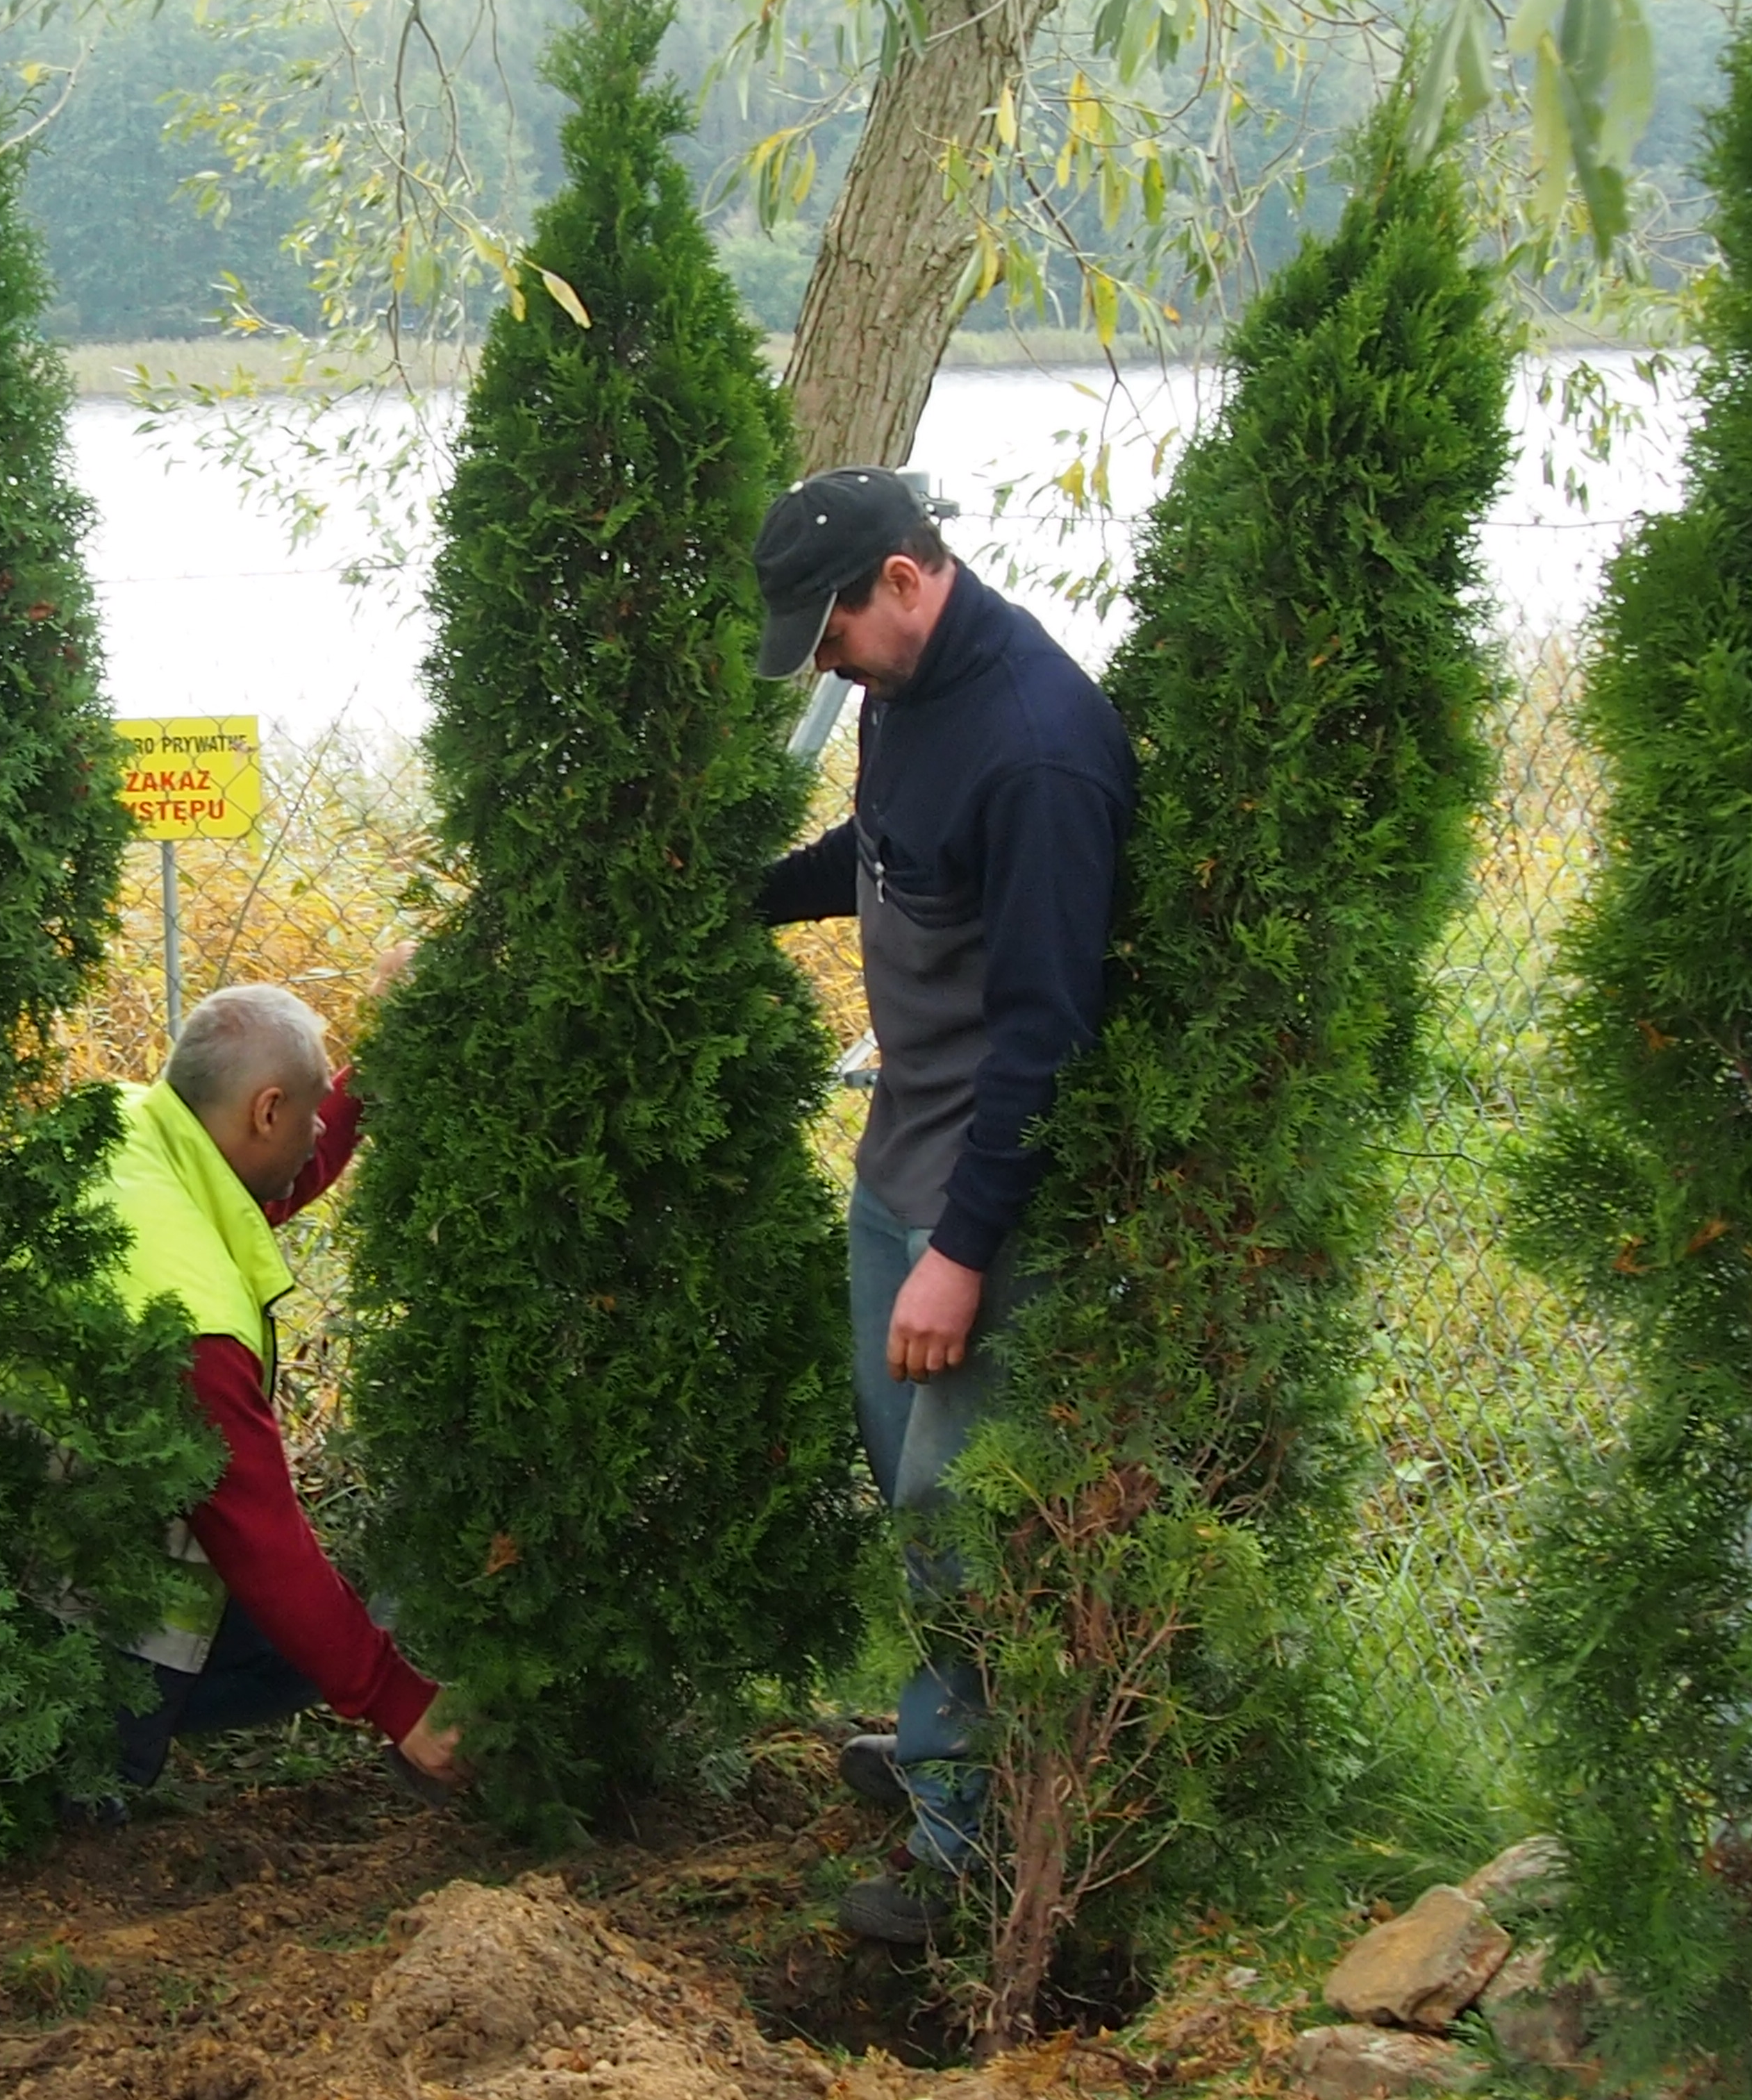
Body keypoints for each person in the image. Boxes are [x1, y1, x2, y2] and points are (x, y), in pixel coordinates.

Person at [751, 467, 1136, 1944]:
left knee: (955, 1503)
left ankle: (970, 1847)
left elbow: (1047, 1031)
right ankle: (939, 1742)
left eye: (834, 630)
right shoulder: (903, 692)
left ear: (906, 579)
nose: (829, 662)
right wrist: (744, 892)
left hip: (983, 1193)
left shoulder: (1038, 750)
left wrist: (964, 1253)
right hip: (898, 1156)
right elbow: (879, 857)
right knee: (900, 1475)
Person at [95, 981, 466, 1801]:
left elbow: (272, 1179)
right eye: (309, 1113)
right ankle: (90, 1769)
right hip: (78, 1613)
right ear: (267, 1111)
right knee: (309, 1613)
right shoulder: (192, 1321)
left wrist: (381, 1063)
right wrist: (401, 1705)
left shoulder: (122, 1130)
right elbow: (260, 1542)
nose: (319, 1133)